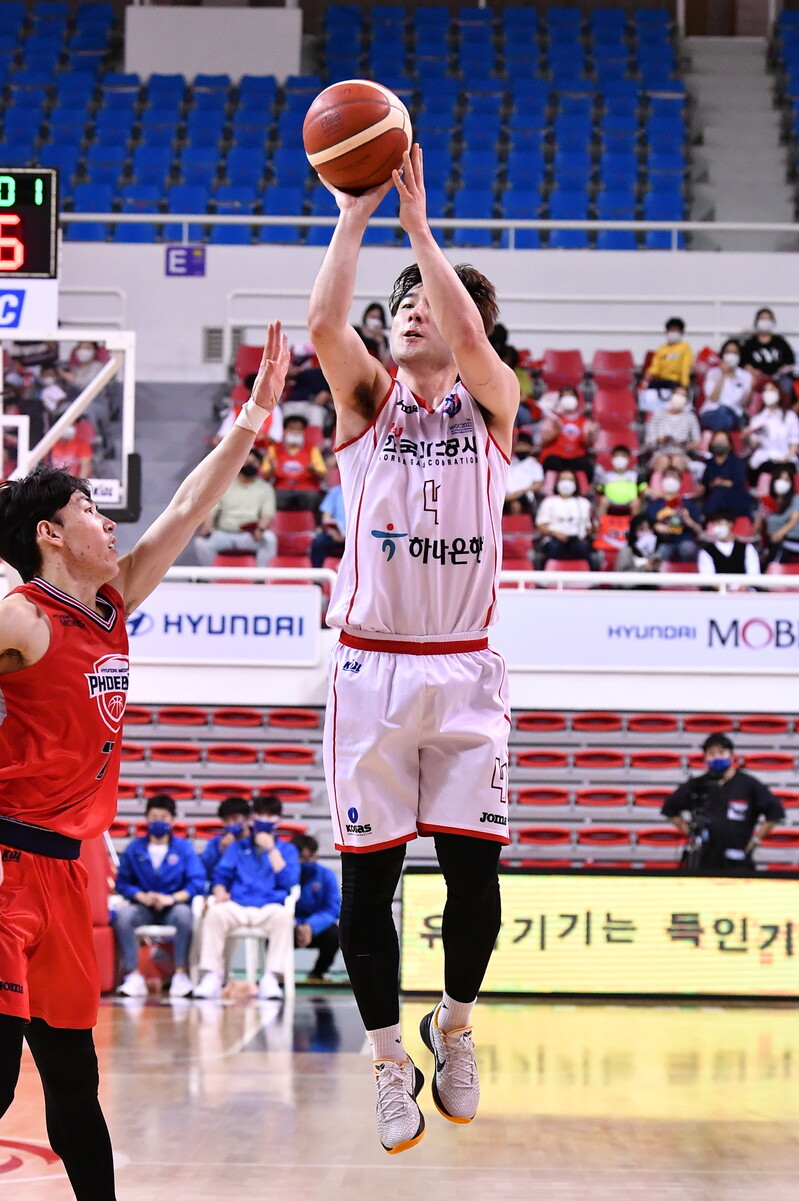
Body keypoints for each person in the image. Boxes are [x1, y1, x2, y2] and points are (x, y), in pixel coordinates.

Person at [0, 320, 289, 1201]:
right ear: (50, 533)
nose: (106, 515)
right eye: (89, 508)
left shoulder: (111, 600)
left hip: (67, 870)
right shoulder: (23, 617)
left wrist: (251, 419)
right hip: (6, 864)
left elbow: (187, 508)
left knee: (75, 1085)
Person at [307, 144, 519, 1154]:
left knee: (474, 876)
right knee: (369, 882)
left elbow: (470, 333)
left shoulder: (493, 402)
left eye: (428, 301)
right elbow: (323, 326)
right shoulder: (367, 404)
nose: (411, 310)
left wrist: (421, 231)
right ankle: (390, 1059)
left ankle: (455, 1026)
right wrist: (355, 214)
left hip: (465, 666)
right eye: (401, 302)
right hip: (372, 665)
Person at [194, 795, 301, 1001]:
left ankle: (271, 978)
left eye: (270, 816)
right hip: (238, 905)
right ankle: (213, 975)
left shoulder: (287, 849)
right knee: (215, 913)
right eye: (260, 815)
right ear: (252, 818)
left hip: (269, 907)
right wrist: (219, 891)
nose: (264, 820)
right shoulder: (237, 847)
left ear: (278, 820)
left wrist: (271, 850)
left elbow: (290, 882)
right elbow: (221, 875)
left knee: (284, 918)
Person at [114, 795, 206, 999]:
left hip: (172, 907)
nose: (158, 821)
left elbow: (197, 882)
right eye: (154, 817)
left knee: (185, 916)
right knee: (124, 917)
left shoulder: (184, 848)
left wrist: (171, 899)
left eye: (163, 817)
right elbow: (122, 882)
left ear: (172, 820)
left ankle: (180, 974)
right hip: (143, 907)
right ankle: (133, 975)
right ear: (147, 818)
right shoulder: (134, 848)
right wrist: (140, 895)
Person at [662, 733, 784, 873]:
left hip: (738, 860)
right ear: (705, 757)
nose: (717, 757)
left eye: (721, 752)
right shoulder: (698, 784)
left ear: (731, 755)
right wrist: (689, 832)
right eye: (711, 753)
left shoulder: (748, 784)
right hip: (704, 860)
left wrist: (755, 840)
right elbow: (669, 808)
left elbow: (775, 812)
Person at [193, 447, 277, 568]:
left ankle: (261, 578)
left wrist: (260, 529)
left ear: (259, 465)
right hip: (224, 534)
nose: (250, 465)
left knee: (270, 539)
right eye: (247, 462)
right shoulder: (225, 485)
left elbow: (267, 513)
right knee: (201, 543)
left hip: (249, 536)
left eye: (254, 462)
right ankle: (210, 577)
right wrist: (207, 527)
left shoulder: (265, 488)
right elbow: (212, 510)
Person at [293, 834, 341, 984]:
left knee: (335, 934)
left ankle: (319, 972)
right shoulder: (285, 876)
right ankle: (276, 972)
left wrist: (311, 925)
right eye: (301, 858)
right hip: (290, 927)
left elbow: (333, 908)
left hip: (317, 929)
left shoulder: (327, 875)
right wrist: (296, 924)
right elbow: (277, 904)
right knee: (273, 931)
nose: (305, 862)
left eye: (309, 857)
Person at [264, 414, 327, 511]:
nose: (295, 432)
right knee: (272, 496)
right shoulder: (274, 448)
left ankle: (310, 520)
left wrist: (313, 470)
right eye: (291, 429)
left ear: (304, 431)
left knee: (312, 496)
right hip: (282, 488)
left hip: (306, 488)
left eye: (299, 429)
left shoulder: (312, 449)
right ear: (285, 430)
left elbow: (323, 476)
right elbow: (264, 477)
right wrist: (272, 469)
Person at [743, 383, 799, 485]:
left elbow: (794, 443)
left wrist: (787, 457)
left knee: (784, 472)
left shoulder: (790, 416)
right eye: (766, 390)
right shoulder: (757, 419)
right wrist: (748, 436)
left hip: (785, 459)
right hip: (764, 460)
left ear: (779, 393)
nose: (769, 393)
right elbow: (754, 444)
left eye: (772, 390)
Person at [536, 469, 595, 564]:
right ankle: (545, 573)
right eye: (563, 479)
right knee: (553, 547)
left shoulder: (584, 503)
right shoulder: (549, 502)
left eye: (570, 480)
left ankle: (591, 573)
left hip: (576, 539)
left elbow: (589, 527)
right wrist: (555, 533)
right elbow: (541, 527)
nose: (566, 483)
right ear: (557, 482)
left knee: (583, 548)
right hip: (554, 538)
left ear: (575, 483)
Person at [645, 466, 703, 562]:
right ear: (662, 481)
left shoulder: (688, 503)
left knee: (688, 548)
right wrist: (655, 526)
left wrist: (690, 522)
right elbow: (645, 528)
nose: (670, 480)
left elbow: (700, 530)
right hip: (663, 542)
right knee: (661, 552)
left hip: (684, 540)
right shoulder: (654, 504)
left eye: (674, 477)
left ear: (680, 482)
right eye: (668, 477)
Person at [740, 307, 796, 403]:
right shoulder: (750, 344)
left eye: (768, 319)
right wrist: (753, 371)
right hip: (758, 378)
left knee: (787, 384)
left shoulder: (780, 342)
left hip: (778, 378)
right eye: (762, 319)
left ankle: (785, 409)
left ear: (773, 322)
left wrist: (781, 370)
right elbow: (743, 362)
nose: (765, 321)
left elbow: (790, 361)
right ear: (756, 322)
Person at [539, 388, 596, 481]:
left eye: (570, 395)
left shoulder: (585, 421)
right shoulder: (553, 418)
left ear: (577, 399)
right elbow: (543, 441)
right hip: (556, 457)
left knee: (586, 465)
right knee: (551, 461)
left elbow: (588, 444)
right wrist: (557, 430)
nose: (568, 399)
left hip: (576, 457)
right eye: (564, 396)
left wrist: (591, 434)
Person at [639, 317, 693, 413]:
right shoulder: (662, 349)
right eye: (671, 330)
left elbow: (685, 367)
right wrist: (649, 374)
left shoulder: (685, 347)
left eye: (675, 330)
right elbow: (656, 366)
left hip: (675, 382)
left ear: (681, 332)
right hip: (661, 381)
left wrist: (684, 385)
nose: (673, 333)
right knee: (647, 389)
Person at [645, 385, 702, 474]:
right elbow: (648, 442)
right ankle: (657, 482)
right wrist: (659, 441)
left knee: (677, 461)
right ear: (671, 396)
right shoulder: (657, 415)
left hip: (681, 454)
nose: (679, 398)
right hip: (660, 453)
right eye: (677, 394)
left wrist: (684, 445)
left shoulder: (690, 417)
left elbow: (697, 442)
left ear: (686, 401)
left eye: (683, 396)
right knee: (663, 461)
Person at [700, 339, 753, 431]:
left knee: (726, 414)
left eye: (735, 353)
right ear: (723, 355)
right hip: (712, 411)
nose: (731, 355)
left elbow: (743, 402)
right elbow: (713, 398)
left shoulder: (746, 376)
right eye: (728, 352)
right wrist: (723, 375)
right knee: (722, 413)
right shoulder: (712, 373)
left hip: (734, 412)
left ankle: (719, 435)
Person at [701, 429, 752, 519]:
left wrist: (721, 483)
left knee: (720, 491)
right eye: (717, 441)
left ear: (730, 445)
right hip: (714, 499)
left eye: (723, 441)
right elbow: (706, 483)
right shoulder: (708, 464)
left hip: (734, 498)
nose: (719, 443)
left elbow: (738, 482)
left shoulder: (736, 462)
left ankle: (705, 516)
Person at [201, 795, 252, 883]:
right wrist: (221, 850)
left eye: (235, 818)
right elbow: (205, 871)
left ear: (248, 819)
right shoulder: (215, 843)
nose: (230, 823)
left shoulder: (257, 841)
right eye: (226, 820)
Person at [696, 512, 760, 576]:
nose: (716, 527)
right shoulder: (706, 552)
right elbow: (707, 577)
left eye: (719, 523)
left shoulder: (747, 548)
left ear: (730, 524)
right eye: (714, 524)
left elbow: (754, 574)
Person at [759, 469, 799, 565]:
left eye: (786, 479)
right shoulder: (767, 501)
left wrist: (779, 534)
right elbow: (759, 526)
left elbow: (794, 519)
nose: (782, 482)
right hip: (772, 542)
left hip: (791, 540)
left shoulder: (796, 499)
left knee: (773, 560)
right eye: (780, 478)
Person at [594, 444, 644, 515]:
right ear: (612, 459)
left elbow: (644, 489)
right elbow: (597, 489)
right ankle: (599, 521)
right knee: (603, 501)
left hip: (630, 502)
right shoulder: (606, 476)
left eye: (623, 456)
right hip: (611, 502)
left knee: (636, 502)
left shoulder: (635, 475)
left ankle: (636, 521)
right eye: (616, 456)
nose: (619, 459)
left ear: (629, 458)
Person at [310, 478, 347, 568]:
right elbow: (326, 518)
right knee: (318, 543)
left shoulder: (363, 492)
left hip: (355, 536)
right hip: (336, 534)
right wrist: (333, 533)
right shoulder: (335, 491)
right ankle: (317, 575)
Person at [504, 432, 543, 514]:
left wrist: (518, 493)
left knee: (516, 506)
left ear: (530, 447)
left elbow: (537, 485)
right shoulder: (508, 463)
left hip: (525, 495)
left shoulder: (534, 465)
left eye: (524, 445)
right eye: (518, 445)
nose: (521, 448)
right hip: (506, 495)